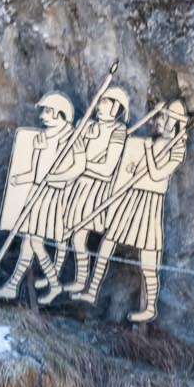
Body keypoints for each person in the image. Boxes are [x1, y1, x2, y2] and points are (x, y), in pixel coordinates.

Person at [83, 101, 187, 321]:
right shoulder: (152, 143)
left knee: (149, 255)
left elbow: (158, 174)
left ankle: (149, 307)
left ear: (172, 123)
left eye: (162, 118)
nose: (157, 122)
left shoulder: (177, 150)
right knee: (108, 242)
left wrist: (148, 152)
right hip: (132, 197)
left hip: (150, 203)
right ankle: (92, 288)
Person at [0, 93, 87, 303]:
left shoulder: (71, 138)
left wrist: (56, 177)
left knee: (33, 242)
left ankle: (46, 285)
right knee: (30, 242)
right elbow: (37, 170)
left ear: (60, 115)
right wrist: (21, 178)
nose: (43, 116)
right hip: (37, 192)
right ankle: (21, 285)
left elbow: (79, 167)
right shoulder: (43, 138)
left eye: (48, 112)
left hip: (51, 196)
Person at [58, 83, 132, 295]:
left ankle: (82, 281)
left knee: (78, 236)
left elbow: (108, 168)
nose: (100, 107)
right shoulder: (88, 126)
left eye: (106, 103)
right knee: (66, 233)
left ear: (116, 109)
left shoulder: (119, 132)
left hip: (95, 191)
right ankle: (63, 277)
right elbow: (72, 153)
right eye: (100, 102)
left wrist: (83, 164)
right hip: (77, 185)